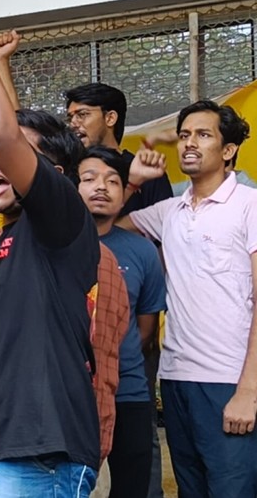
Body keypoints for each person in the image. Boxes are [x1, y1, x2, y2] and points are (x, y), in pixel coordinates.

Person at [0, 0, 101, 495]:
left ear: (53, 175)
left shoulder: (61, 219)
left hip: (42, 457)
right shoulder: (7, 241)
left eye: (11, 157)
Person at [0, 106, 127, 469]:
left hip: (58, 450)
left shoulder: (99, 260)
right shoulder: (7, 244)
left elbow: (102, 353)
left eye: (11, 155)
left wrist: (93, 442)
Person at [118, 100, 257, 497]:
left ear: (228, 150)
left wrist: (249, 391)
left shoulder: (250, 206)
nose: (189, 143)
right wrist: (133, 183)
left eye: (203, 135)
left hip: (229, 382)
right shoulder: (169, 211)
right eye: (183, 135)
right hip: (176, 380)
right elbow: (101, 231)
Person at [77, 147, 167, 497]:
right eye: (89, 179)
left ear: (124, 192)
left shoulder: (142, 251)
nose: (102, 187)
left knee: (132, 486)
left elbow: (145, 328)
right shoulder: (54, 246)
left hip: (127, 391)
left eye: (113, 181)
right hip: (70, 392)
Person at [64, 82, 173, 215]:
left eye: (82, 115)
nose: (73, 124)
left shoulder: (148, 172)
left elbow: (162, 222)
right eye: (70, 118)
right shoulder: (68, 172)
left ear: (110, 118)